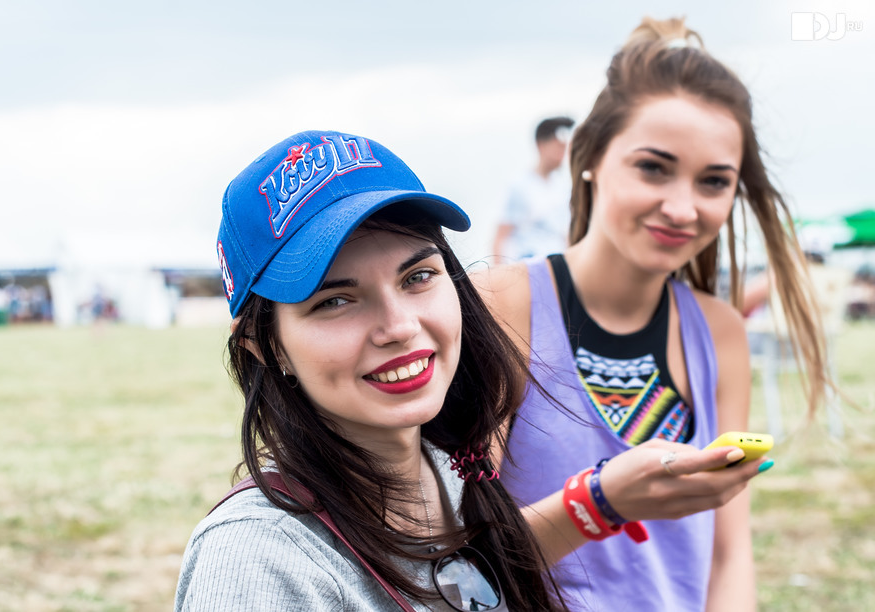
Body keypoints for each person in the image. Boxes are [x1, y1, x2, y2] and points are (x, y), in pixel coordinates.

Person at [474, 17, 829, 612]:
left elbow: (728, 556)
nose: (682, 207)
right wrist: (597, 503)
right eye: (654, 168)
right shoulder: (501, 305)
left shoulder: (719, 331)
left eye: (713, 181)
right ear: (590, 157)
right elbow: (456, 562)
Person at [175, 129, 572, 610]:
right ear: (265, 346)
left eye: (418, 276)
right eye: (335, 301)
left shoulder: (449, 471)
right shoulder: (258, 560)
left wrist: (602, 504)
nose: (400, 327)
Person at [492, 116, 575, 263]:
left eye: (565, 147)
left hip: (557, 266)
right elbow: (501, 236)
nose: (562, 154)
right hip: (528, 268)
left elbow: (564, 234)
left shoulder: (562, 187)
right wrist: (498, 271)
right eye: (558, 147)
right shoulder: (520, 187)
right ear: (541, 145)